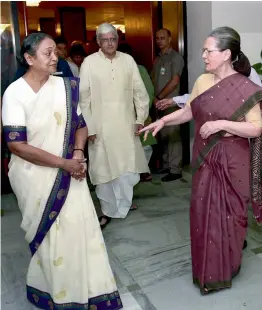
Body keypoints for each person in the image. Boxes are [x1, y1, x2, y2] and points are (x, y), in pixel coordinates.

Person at [2, 32, 123, 309]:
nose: (54, 57)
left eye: (55, 52)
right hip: (35, 177)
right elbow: (17, 145)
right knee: (51, 237)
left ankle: (90, 291)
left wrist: (78, 154)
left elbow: (81, 124)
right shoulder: (14, 93)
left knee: (80, 231)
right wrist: (63, 163)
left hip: (71, 171)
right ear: (29, 58)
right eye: (47, 53)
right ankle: (58, 292)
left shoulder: (64, 87)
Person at [140, 26, 262, 295]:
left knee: (231, 216)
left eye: (209, 50)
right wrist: (162, 120)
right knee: (203, 212)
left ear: (227, 54)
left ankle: (227, 266)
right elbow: (188, 112)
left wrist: (220, 123)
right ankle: (207, 270)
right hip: (206, 158)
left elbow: (256, 128)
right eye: (204, 50)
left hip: (233, 160)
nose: (204, 55)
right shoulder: (202, 81)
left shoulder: (247, 87)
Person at [79, 23, 149, 229]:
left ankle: (123, 205)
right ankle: (108, 210)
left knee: (128, 170)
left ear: (118, 40)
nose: (110, 43)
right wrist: (89, 128)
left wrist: (140, 119)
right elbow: (83, 99)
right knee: (103, 171)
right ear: (98, 42)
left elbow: (140, 92)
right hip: (100, 129)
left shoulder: (128, 61)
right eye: (105, 40)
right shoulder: (89, 63)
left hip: (126, 125)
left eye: (113, 39)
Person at [118, 42, 157, 182]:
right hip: (122, 118)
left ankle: (139, 173)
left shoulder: (139, 69)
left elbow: (148, 92)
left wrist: (142, 113)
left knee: (145, 146)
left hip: (138, 116)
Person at [151, 28, 185, 182]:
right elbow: (153, 81)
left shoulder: (175, 57)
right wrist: (154, 99)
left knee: (173, 136)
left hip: (170, 103)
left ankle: (175, 169)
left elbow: (174, 81)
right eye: (157, 38)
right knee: (163, 135)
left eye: (163, 38)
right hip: (159, 103)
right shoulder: (158, 59)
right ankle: (166, 165)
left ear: (170, 39)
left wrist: (159, 97)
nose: (159, 41)